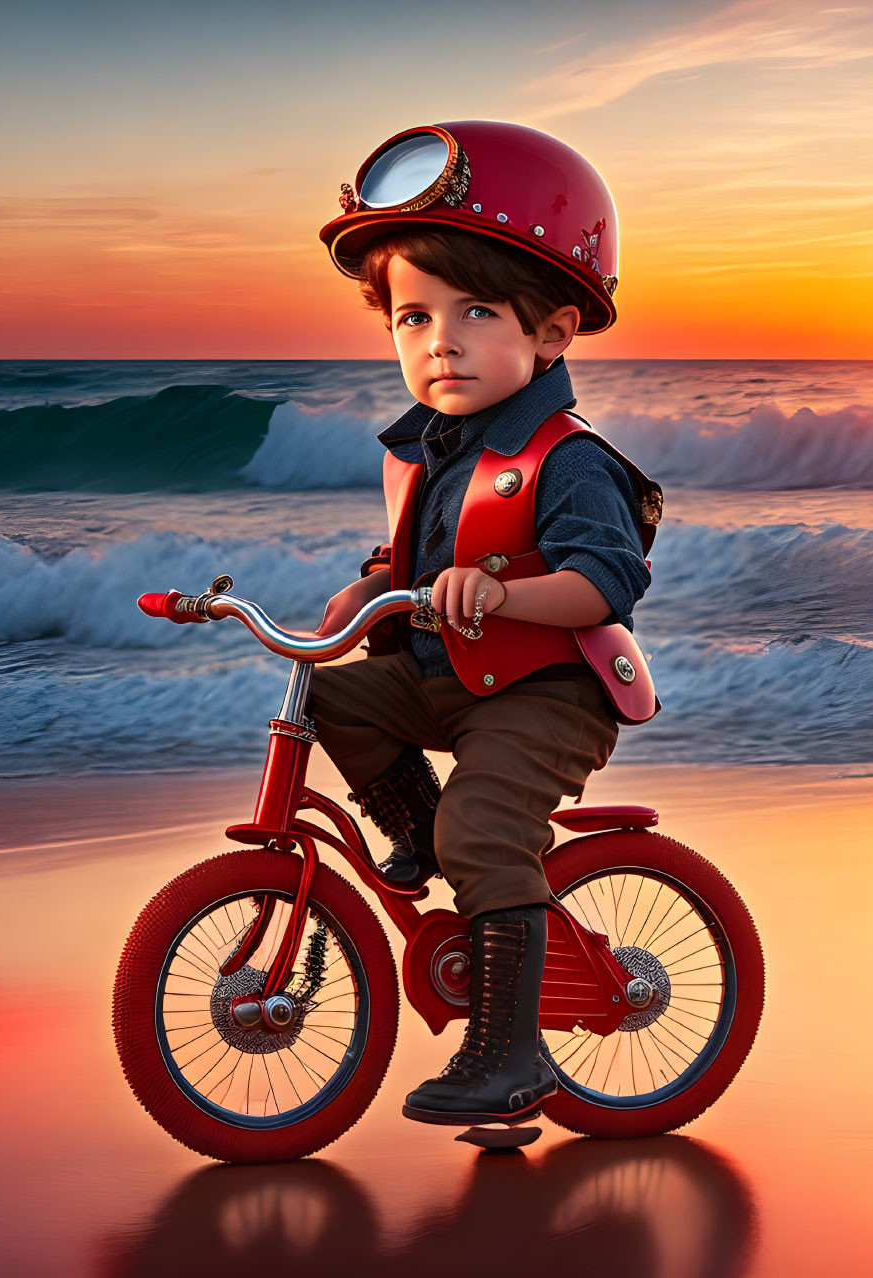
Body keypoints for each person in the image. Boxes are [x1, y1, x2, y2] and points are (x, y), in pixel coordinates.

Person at [309, 120, 664, 1128]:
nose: (439, 344)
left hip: (545, 691)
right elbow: (416, 555)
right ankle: (424, 839)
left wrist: (502, 594)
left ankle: (508, 1060)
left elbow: (606, 581)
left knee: (488, 826)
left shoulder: (567, 457)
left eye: (474, 313)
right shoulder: (427, 452)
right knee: (327, 693)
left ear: (550, 331)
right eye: (412, 319)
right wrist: (367, 584)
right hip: (446, 675)